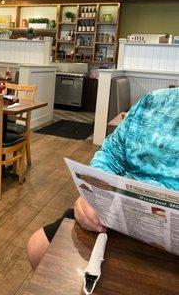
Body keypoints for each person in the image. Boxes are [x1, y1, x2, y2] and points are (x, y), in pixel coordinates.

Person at [27, 87, 179, 270]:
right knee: (37, 247)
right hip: (117, 217)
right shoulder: (152, 102)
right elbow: (110, 155)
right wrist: (92, 194)